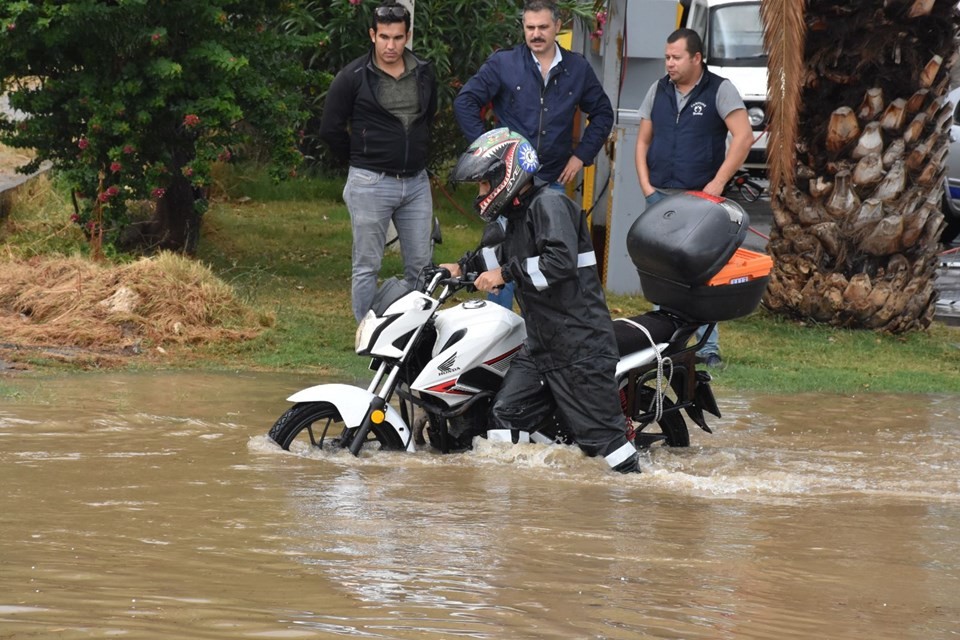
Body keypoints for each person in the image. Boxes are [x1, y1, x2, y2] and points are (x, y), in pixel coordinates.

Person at [440, 129, 639, 474]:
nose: (481, 194)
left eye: (484, 185)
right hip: (542, 345)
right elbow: (498, 257)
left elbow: (558, 263)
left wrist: (505, 274)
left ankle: (634, 499)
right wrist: (459, 268)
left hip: (580, 345)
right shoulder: (518, 216)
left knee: (604, 445)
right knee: (505, 415)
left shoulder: (550, 205)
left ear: (507, 175)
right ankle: (522, 508)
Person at [452, 0, 614, 309]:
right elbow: (466, 101)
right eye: (530, 28)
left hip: (550, 182)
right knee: (499, 256)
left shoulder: (577, 68)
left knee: (545, 261)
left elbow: (603, 114)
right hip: (505, 185)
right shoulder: (504, 64)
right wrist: (488, 152)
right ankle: (496, 335)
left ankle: (538, 336)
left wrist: (581, 155)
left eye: (542, 27)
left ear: (557, 27)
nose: (536, 34)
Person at [634, 27, 753, 369]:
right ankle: (663, 346)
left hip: (701, 201)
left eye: (676, 57)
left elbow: (743, 137)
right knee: (661, 274)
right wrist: (646, 187)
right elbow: (642, 141)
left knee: (702, 273)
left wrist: (717, 183)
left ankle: (706, 348)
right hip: (660, 198)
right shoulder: (658, 89)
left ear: (696, 58)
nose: (669, 63)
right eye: (666, 57)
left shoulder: (720, 89)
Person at [319, 2, 437, 323]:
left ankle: (414, 335)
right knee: (367, 265)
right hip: (370, 181)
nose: (390, 45)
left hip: (415, 183)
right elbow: (330, 128)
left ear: (407, 35)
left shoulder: (424, 72)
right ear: (372, 34)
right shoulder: (353, 76)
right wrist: (360, 159)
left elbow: (428, 118)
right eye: (384, 37)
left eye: (398, 38)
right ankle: (367, 334)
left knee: (422, 266)